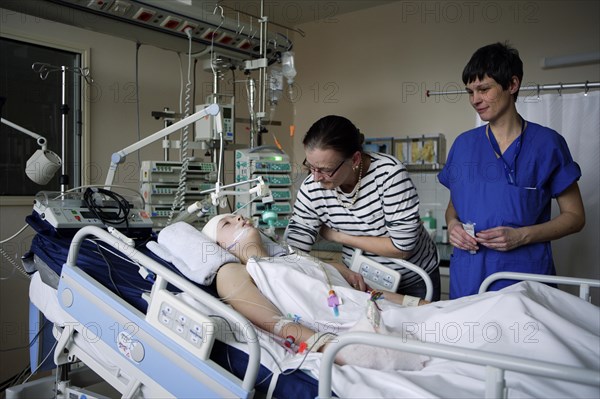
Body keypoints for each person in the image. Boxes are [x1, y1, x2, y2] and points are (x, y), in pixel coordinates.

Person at [438, 42, 585, 299]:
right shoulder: (463, 145)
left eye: (484, 89)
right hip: (469, 277)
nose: (475, 100)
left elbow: (575, 216)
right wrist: (452, 225)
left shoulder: (547, 144)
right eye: (470, 92)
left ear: (512, 85)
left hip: (524, 281)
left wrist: (522, 236)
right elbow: (455, 206)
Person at [200, 213, 430, 370]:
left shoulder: (293, 258)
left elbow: (368, 294)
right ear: (219, 246)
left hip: (391, 313)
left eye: (234, 215)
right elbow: (274, 323)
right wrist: (332, 348)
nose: (239, 217)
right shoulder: (235, 272)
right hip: (360, 333)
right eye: (227, 224)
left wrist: (416, 303)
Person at [284, 115, 440, 301]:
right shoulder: (312, 187)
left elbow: (402, 248)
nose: (316, 178)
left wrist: (338, 236)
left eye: (326, 169)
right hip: (360, 279)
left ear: (355, 159)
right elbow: (294, 248)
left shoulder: (389, 176)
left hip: (413, 279)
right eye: (310, 167)